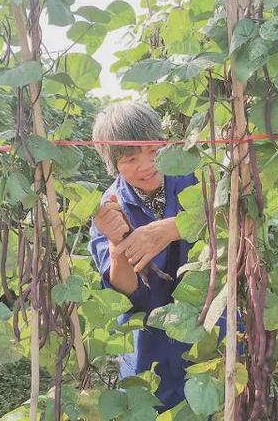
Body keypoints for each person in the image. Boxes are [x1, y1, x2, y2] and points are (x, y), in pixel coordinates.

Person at [88, 101, 217, 411]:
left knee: (219, 401)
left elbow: (232, 222)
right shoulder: (109, 207)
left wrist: (173, 228)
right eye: (131, 159)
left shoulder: (195, 177)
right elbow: (123, 288)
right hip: (150, 342)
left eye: (152, 152)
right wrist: (117, 243)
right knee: (153, 407)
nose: (145, 166)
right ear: (113, 164)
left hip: (211, 323)